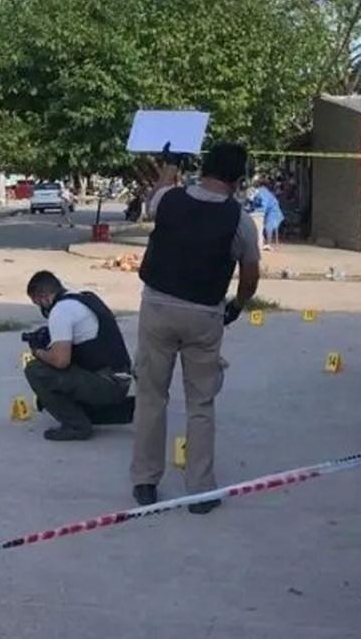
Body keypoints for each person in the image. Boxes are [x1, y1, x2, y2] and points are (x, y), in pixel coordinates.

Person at [131, 143, 260, 513]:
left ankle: (145, 481)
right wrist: (236, 306)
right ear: (238, 180)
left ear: (202, 168)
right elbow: (249, 277)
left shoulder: (169, 199)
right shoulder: (240, 221)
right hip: (204, 314)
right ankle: (200, 490)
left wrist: (170, 163)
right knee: (200, 402)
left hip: (157, 306)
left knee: (151, 395)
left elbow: (155, 197)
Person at [23, 271, 135, 441]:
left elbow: (61, 361)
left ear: (44, 297)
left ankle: (76, 426)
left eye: (38, 303)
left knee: (35, 369)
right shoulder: (83, 298)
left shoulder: (60, 311)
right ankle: (120, 410)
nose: (41, 307)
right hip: (119, 378)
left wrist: (37, 351)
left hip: (107, 384)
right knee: (59, 374)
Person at [250, 180, 284, 251]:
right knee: (263, 226)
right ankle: (264, 242)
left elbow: (264, 205)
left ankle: (269, 243)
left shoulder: (263, 192)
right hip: (267, 213)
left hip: (273, 212)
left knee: (269, 226)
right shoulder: (262, 192)